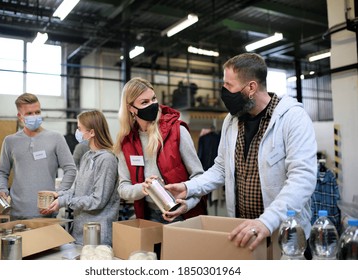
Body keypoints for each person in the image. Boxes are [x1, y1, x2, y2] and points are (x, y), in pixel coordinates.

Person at [165, 53, 317, 256]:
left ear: (251, 88)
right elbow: (220, 168)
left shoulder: (292, 118)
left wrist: (267, 221)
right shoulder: (232, 120)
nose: (223, 91)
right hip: (244, 234)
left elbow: (302, 179)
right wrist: (188, 187)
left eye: (229, 85)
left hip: (285, 236)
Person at [114, 77, 207, 223]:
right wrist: (142, 188)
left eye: (153, 99)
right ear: (131, 108)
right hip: (147, 215)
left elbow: (199, 178)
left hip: (182, 214)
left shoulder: (177, 131)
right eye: (144, 102)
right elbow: (123, 188)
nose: (152, 105)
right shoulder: (126, 143)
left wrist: (187, 205)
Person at [0, 93, 77, 220]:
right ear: (20, 116)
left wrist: (59, 194)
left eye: (37, 112)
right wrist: (2, 191)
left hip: (46, 212)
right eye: (29, 114)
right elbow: (1, 172)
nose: (34, 116)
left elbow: (70, 169)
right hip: (17, 213)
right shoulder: (10, 141)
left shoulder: (56, 138)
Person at [42, 110, 120, 246]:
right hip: (80, 231)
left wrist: (64, 202)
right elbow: (78, 190)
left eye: (79, 129)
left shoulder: (107, 160)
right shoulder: (87, 156)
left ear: (92, 132)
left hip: (98, 234)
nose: (77, 133)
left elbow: (98, 200)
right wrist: (58, 195)